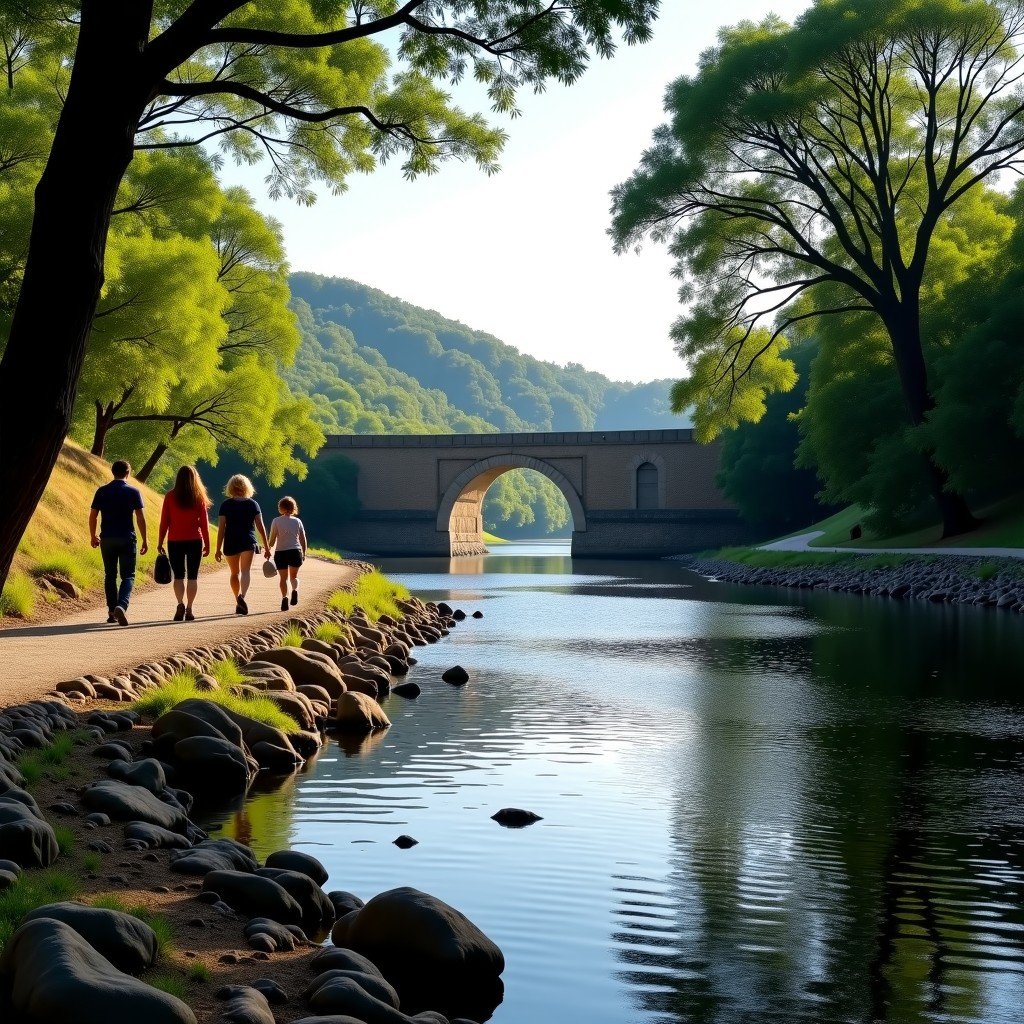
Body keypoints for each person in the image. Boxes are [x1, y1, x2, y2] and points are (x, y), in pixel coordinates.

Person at [89, 459, 148, 626]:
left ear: (112, 472)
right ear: (128, 473)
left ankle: (111, 611)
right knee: (128, 575)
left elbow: (93, 515)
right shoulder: (133, 491)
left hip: (107, 538)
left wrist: (93, 535)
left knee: (110, 575)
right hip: (127, 538)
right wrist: (145, 539)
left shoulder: (102, 491)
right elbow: (140, 517)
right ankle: (121, 605)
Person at [157, 466, 211, 622]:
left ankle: (180, 604)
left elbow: (164, 522)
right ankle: (189, 609)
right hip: (195, 541)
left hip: (175, 541)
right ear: (195, 479)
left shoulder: (170, 496)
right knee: (192, 576)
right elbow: (205, 524)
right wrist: (207, 543)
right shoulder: (199, 497)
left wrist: (160, 541)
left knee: (179, 576)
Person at [215, 474, 269, 615]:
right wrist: (267, 546)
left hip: (231, 541)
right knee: (245, 571)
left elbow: (221, 529)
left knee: (234, 573)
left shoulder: (225, 505)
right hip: (248, 540)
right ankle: (242, 597)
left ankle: (237, 599)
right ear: (247, 487)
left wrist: (217, 549)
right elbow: (260, 526)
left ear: (230, 487)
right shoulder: (253, 504)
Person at [268, 496, 308, 612]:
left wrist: (268, 549)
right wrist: (304, 552)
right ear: (293, 507)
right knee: (294, 577)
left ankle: (284, 598)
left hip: (280, 552)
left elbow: (272, 538)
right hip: (295, 551)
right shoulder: (298, 521)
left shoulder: (276, 521)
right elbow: (303, 538)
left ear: (281, 508)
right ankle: (294, 590)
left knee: (283, 579)